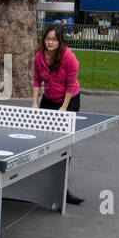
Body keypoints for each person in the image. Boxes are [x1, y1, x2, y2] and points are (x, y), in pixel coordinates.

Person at [33, 23, 85, 205]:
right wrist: (34, 103)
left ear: (60, 40)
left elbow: (71, 84)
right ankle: (40, 183)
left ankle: (63, 187)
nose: (50, 42)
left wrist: (64, 107)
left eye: (54, 39)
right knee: (43, 140)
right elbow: (36, 80)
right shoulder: (39, 56)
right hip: (48, 99)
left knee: (64, 143)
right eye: (47, 39)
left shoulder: (69, 57)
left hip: (69, 100)